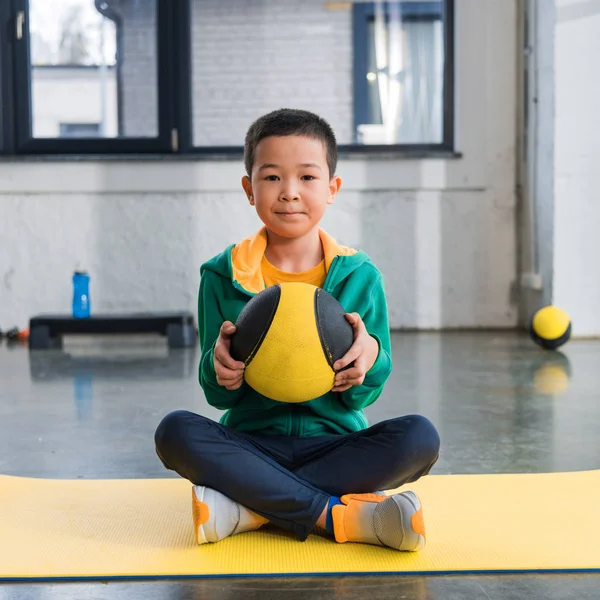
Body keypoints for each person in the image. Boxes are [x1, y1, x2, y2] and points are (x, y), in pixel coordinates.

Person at [155, 108, 440, 551]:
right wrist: (220, 369)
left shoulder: (360, 276)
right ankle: (340, 516)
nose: (289, 193)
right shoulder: (221, 275)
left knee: (420, 438)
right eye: (271, 178)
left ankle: (249, 508)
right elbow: (218, 396)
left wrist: (369, 361)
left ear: (332, 188)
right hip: (251, 444)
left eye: (307, 177)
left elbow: (363, 395)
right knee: (175, 431)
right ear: (249, 189)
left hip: (335, 445)